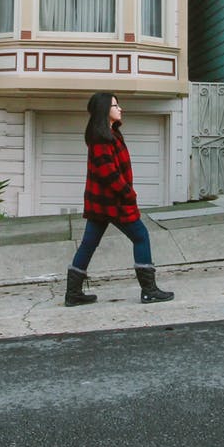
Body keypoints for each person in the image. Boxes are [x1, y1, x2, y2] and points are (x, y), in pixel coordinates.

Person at [65, 90, 173, 307]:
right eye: (115, 105)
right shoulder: (101, 139)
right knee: (141, 235)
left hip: (102, 203)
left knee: (88, 244)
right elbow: (108, 173)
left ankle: (73, 294)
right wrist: (128, 193)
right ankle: (149, 290)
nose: (120, 108)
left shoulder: (110, 135)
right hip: (113, 203)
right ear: (105, 110)